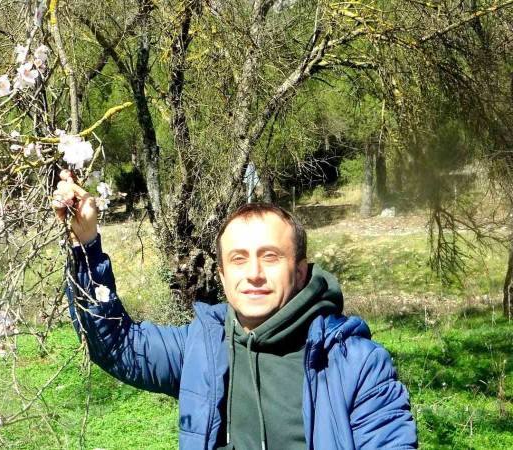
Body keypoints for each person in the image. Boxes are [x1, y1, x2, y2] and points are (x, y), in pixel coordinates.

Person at [53, 170, 417, 450]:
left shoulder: (355, 364)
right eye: (238, 259)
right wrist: (85, 244)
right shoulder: (201, 346)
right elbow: (117, 345)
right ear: (223, 276)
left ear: (300, 272)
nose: (254, 273)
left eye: (270, 256)